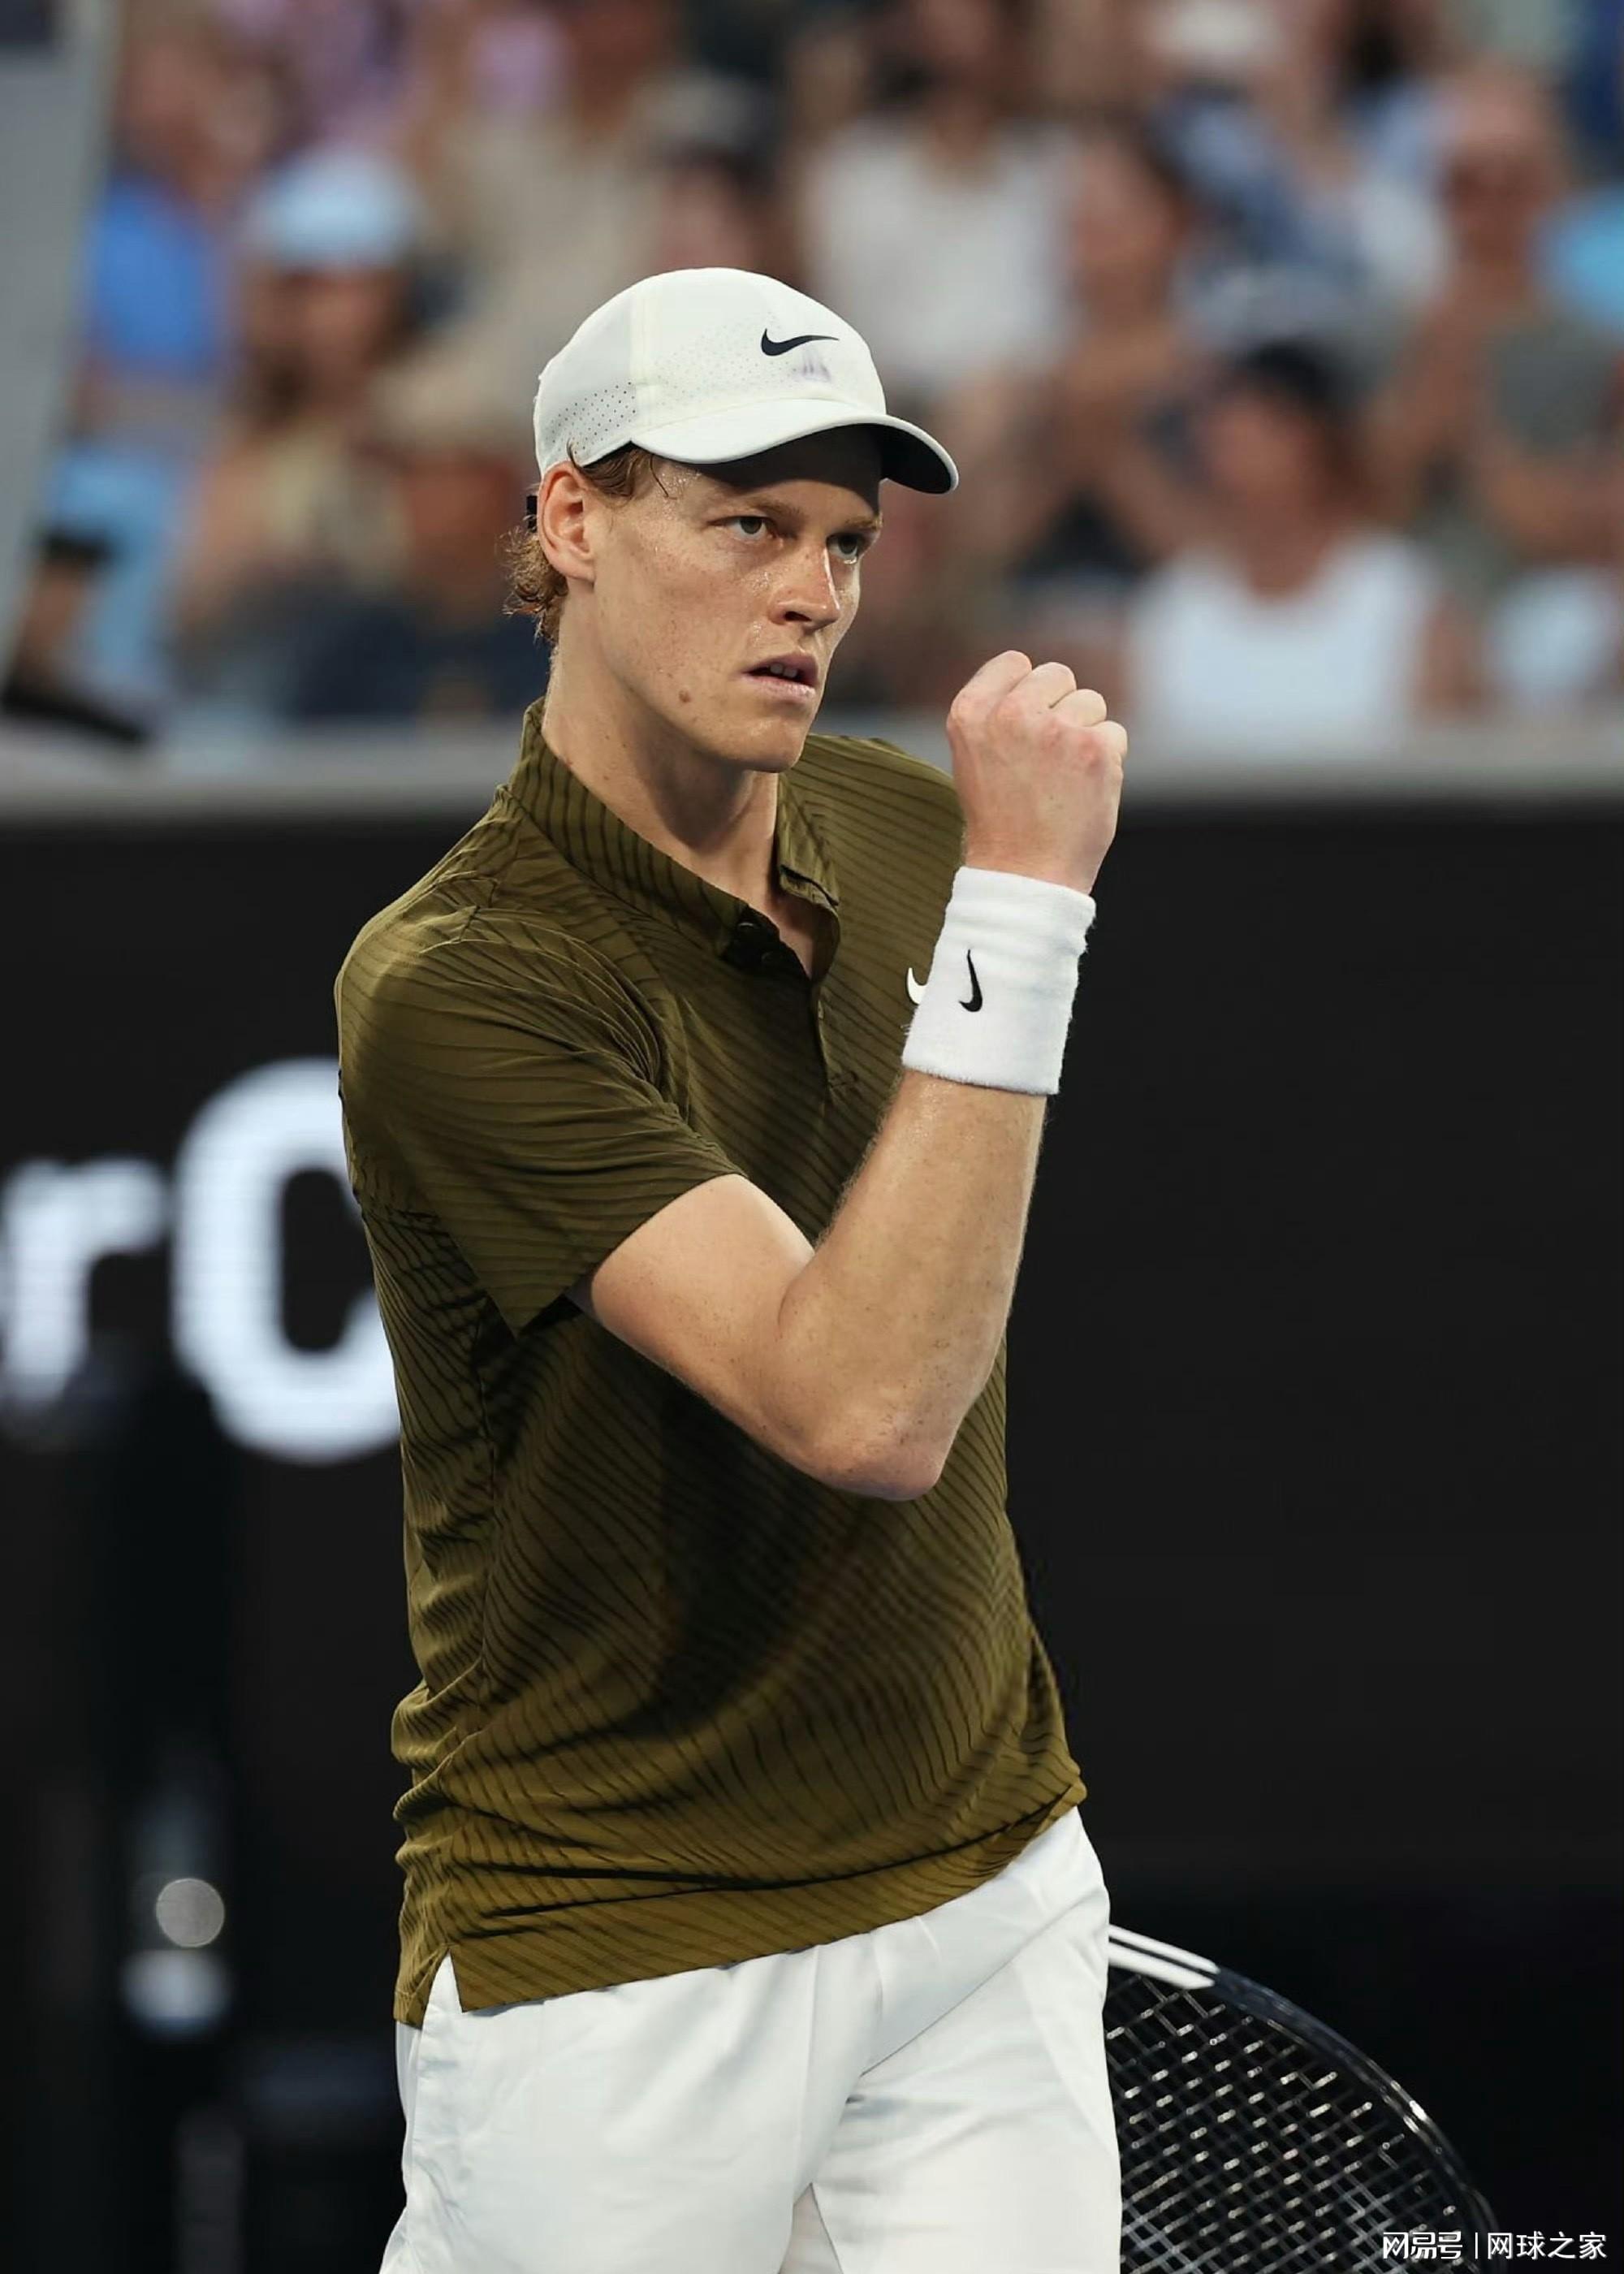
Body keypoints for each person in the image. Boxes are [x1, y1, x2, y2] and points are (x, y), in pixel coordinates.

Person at [335, 265, 1126, 2272]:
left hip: (982, 1890)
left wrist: (994, 895)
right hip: (622, 1950)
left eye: (843, 541)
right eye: (746, 522)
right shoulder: (457, 984)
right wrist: (1026, 912)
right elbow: (859, 1404)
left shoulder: (910, 831)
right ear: (570, 519)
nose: (811, 593)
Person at [1123, 339, 1477, 751]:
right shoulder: (1171, 606)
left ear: (1323, 444)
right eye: (1225, 444)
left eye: (1263, 438)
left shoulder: (1405, 598)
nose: (1238, 466)